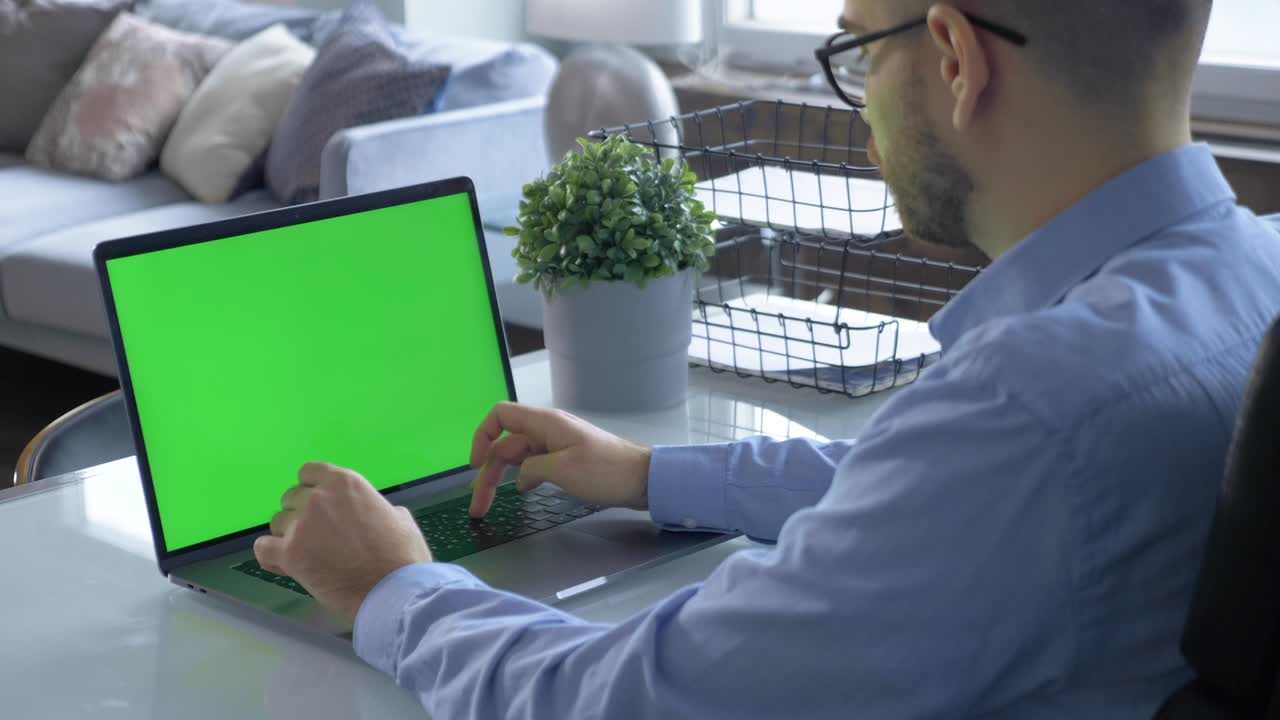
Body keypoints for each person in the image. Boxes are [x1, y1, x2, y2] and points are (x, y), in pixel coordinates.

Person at [253, 0, 1280, 717]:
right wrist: (649, 475)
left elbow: (629, 703)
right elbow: (920, 491)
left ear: (955, 60)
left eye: (858, 55)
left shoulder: (1028, 410)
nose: (861, 104)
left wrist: (394, 587)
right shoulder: (1252, 277)